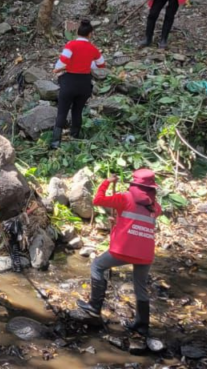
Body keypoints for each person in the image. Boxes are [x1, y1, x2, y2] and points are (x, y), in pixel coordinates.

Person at [77, 168, 161, 335]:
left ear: (134, 184)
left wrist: (107, 182)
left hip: (124, 249)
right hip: (145, 253)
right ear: (152, 188)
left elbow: (98, 199)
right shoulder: (155, 206)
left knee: (97, 266)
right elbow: (139, 221)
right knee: (140, 287)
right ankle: (143, 325)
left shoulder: (125, 197)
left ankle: (94, 307)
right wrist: (119, 220)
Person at [50, 20, 106, 149]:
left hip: (69, 82)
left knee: (62, 112)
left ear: (77, 32)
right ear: (90, 34)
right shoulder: (93, 49)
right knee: (77, 111)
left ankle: (55, 143)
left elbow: (63, 61)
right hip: (85, 84)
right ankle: (74, 138)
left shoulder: (71, 45)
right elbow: (101, 65)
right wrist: (87, 64)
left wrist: (59, 70)